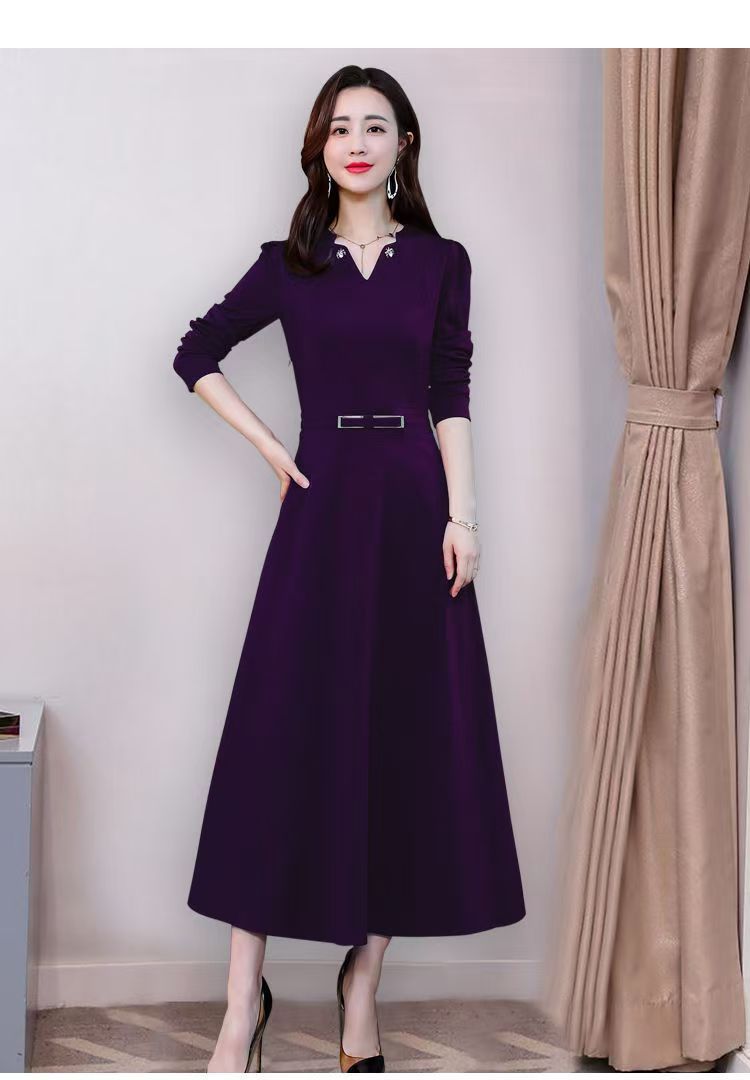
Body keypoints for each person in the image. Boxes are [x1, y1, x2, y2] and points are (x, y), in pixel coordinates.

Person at [172, 64, 526, 1074]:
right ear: (319, 149)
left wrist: (463, 516)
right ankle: (240, 1005)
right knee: (278, 740)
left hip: (414, 514)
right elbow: (196, 350)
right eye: (339, 128)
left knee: (403, 742)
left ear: (404, 143)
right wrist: (270, 448)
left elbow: (450, 388)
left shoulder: (442, 262)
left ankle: (360, 989)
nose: (357, 142)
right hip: (321, 514)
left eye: (375, 126)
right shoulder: (290, 264)